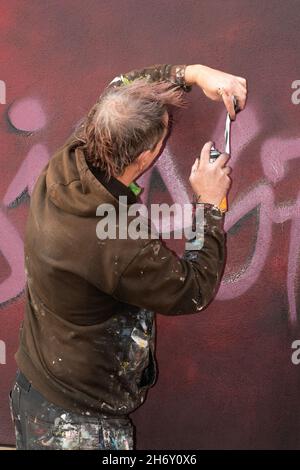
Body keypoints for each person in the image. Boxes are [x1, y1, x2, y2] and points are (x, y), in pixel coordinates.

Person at [9, 63, 247, 450]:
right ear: (149, 154)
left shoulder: (70, 158)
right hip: (79, 426)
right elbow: (193, 289)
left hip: (34, 387)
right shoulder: (119, 242)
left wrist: (195, 73)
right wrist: (209, 202)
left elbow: (123, 86)